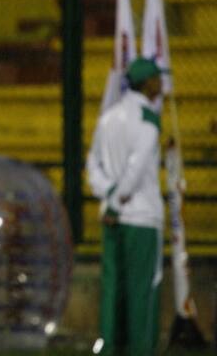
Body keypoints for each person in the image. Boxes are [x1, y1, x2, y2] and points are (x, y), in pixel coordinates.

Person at [87, 57, 165, 356]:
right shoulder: (148, 120)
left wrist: (107, 195)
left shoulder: (108, 117)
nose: (161, 83)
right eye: (157, 78)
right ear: (147, 83)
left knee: (112, 288)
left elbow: (93, 163)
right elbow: (136, 168)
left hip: (111, 217)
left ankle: (110, 348)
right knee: (142, 288)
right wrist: (117, 202)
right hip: (141, 217)